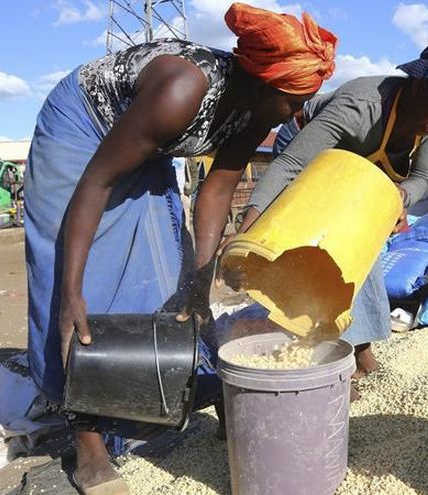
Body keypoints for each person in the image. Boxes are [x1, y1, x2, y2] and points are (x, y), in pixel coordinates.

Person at [22, 4, 337, 494]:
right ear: (261, 85)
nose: (296, 115)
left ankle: (146, 396)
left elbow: (217, 190)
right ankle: (88, 446)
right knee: (77, 288)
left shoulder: (256, 110)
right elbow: (97, 181)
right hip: (83, 129)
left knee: (168, 272)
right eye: (293, 102)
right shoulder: (181, 91)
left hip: (146, 141)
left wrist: (200, 283)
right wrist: (72, 292)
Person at [232, 33, 428, 396]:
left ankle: (355, 349)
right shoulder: (362, 105)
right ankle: (332, 351)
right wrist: (248, 232)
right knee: (321, 252)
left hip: (362, 176)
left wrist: (400, 198)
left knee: (359, 246)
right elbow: (291, 165)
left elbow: (422, 176)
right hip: (307, 153)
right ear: (418, 85)